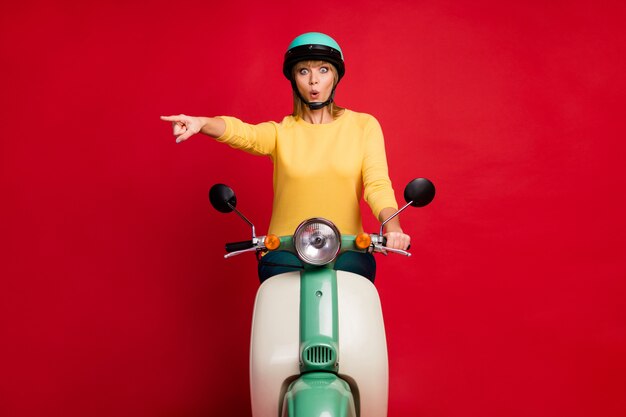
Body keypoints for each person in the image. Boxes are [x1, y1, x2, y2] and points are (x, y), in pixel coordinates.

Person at [161, 32, 410, 282]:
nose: (314, 81)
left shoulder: (363, 126)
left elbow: (377, 184)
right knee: (276, 312)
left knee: (357, 307)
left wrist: (393, 226)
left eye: (323, 70)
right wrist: (201, 122)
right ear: (294, 79)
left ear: (335, 76)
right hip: (284, 250)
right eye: (304, 71)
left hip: (346, 249)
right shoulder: (281, 132)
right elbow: (244, 133)